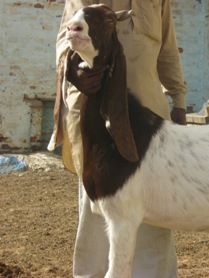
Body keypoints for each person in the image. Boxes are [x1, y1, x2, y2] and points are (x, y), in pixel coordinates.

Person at [48, 1, 187, 277]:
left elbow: (167, 50)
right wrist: (74, 73)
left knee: (153, 215)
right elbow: (66, 40)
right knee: (98, 214)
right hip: (96, 123)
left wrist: (179, 101)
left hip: (148, 125)